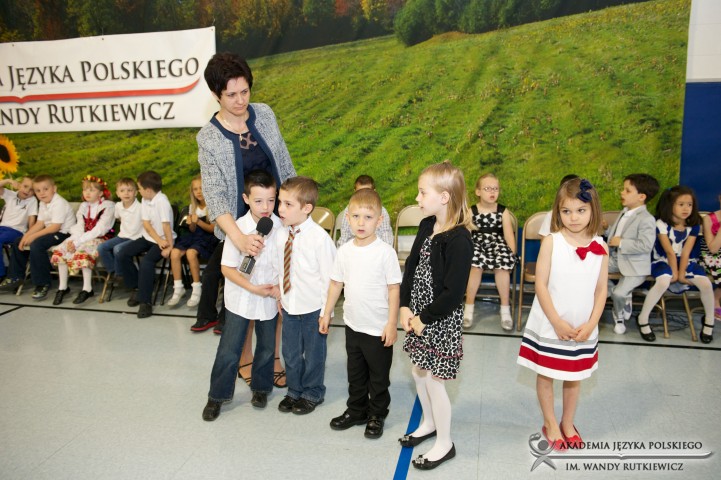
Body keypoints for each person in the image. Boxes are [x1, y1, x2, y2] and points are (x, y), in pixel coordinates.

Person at [193, 52, 296, 335]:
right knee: (243, 307)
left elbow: (284, 164)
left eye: (245, 91)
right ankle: (244, 355)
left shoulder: (265, 114)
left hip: (278, 219)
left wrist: (294, 210)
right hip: (241, 228)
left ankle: (275, 355)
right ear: (215, 95)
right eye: (231, 95)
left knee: (280, 292)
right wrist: (239, 239)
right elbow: (214, 195)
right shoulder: (208, 137)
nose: (240, 100)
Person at [517, 178, 608, 452]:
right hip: (551, 322)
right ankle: (550, 423)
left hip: (582, 326)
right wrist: (556, 321)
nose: (573, 217)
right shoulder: (552, 242)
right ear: (558, 212)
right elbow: (541, 285)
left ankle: (568, 423)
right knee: (546, 374)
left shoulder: (601, 246)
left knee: (573, 376)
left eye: (581, 210)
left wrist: (591, 324)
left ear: (593, 210)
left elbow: (601, 290)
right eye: (566, 211)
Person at [398, 161, 473, 471]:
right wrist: (405, 306)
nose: (417, 199)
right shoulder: (427, 225)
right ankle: (428, 422)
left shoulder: (460, 239)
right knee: (418, 371)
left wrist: (424, 318)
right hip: (419, 314)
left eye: (422, 192)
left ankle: (445, 442)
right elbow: (411, 267)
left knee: (434, 380)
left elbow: (453, 294)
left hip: (439, 320)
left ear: (444, 197)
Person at [320, 188, 402, 439]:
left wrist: (392, 324)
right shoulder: (344, 251)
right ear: (347, 219)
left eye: (368, 217)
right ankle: (356, 410)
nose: (361, 223)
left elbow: (394, 289)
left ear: (379, 220)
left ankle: (376, 414)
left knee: (378, 377)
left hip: (378, 328)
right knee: (355, 373)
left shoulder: (385, 252)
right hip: (353, 325)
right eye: (355, 216)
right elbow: (336, 283)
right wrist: (326, 313)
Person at [202, 170, 283, 421]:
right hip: (240, 298)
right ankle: (217, 396)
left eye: (271, 200)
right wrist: (252, 288)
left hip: (268, 300)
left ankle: (261, 388)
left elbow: (284, 264)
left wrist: (279, 289)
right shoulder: (237, 228)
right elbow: (227, 269)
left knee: (267, 347)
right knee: (229, 349)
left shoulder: (280, 226)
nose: (266, 207)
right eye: (258, 201)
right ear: (246, 199)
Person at [273, 176, 336, 416]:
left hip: (313, 309)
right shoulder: (281, 234)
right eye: (280, 202)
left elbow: (330, 279)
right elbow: (281, 268)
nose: (280, 209)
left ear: (307, 208)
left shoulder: (319, 239)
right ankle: (294, 389)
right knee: (290, 353)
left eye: (288, 204)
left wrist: (326, 312)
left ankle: (313, 391)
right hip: (290, 306)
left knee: (314, 354)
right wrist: (280, 295)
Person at [636, 186, 716, 343]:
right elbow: (669, 252)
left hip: (686, 262)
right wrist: (675, 273)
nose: (686, 208)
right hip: (663, 260)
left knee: (706, 284)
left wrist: (681, 273)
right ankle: (643, 318)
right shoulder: (661, 223)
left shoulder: (693, 225)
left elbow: (686, 252)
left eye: (689, 205)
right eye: (681, 204)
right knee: (663, 281)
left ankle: (709, 322)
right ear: (670, 205)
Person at [1, 175, 75, 299]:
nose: (42, 193)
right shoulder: (43, 203)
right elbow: (40, 223)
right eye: (38, 190)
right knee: (18, 241)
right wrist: (26, 236)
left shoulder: (59, 203)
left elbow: (55, 227)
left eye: (45, 189)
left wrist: (33, 236)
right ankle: (15, 277)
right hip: (51, 231)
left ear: (54, 189)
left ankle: (43, 283)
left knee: (37, 244)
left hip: (63, 233)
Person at [115, 171, 176, 319]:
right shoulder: (145, 199)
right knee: (122, 253)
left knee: (146, 263)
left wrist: (169, 246)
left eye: (140, 188)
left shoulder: (162, 202)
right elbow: (147, 224)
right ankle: (137, 287)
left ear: (148, 190)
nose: (139, 191)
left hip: (166, 239)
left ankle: (145, 302)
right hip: (151, 237)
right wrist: (158, 240)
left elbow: (166, 226)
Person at [606, 173, 659, 334]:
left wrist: (621, 243)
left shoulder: (647, 219)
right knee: (591, 272)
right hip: (616, 259)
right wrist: (607, 230)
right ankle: (616, 293)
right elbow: (617, 235)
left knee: (619, 293)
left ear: (641, 197)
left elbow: (646, 245)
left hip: (634, 265)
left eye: (627, 190)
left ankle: (619, 314)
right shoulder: (624, 212)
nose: (622, 192)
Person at [463, 173, 517, 331]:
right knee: (475, 265)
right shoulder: (472, 211)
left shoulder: (503, 211)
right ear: (478, 192)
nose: (492, 192)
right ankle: (469, 307)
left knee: (502, 266)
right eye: (487, 188)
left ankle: (505, 309)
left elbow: (508, 235)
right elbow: (466, 235)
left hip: (497, 244)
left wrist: (511, 255)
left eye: (496, 189)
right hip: (477, 244)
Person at [50, 175, 115, 305]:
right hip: (82, 237)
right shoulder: (84, 206)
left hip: (100, 238)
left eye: (92, 190)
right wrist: (72, 241)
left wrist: (77, 242)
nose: (87, 193)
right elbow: (79, 227)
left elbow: (99, 230)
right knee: (61, 250)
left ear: (101, 193)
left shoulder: (108, 206)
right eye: (85, 190)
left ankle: (87, 289)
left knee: (83, 252)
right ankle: (62, 288)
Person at [167, 175, 218, 307]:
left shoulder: (212, 206)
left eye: (201, 188)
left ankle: (196, 287)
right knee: (174, 253)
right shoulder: (192, 207)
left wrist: (199, 222)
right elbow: (192, 229)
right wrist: (191, 223)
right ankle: (178, 287)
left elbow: (212, 229)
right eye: (195, 189)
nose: (199, 192)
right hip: (193, 236)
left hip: (208, 238)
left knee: (190, 253)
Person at [96, 178, 143, 280]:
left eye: (129, 190)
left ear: (135, 193)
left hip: (136, 238)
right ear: (118, 194)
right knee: (102, 247)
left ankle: (121, 274)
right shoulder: (118, 206)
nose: (126, 193)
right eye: (122, 191)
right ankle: (114, 272)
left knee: (118, 249)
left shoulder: (140, 208)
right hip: (122, 236)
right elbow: (120, 218)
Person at [336, 175, 393, 247]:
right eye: (356, 216)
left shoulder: (382, 211)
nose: (364, 195)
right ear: (354, 191)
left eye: (368, 217)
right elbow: (344, 236)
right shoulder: (348, 209)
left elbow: (387, 239)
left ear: (374, 191)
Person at [0, 177, 38, 280]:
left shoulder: (32, 201)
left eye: (31, 190)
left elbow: (32, 219)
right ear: (19, 185)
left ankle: (1, 274)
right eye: (25, 186)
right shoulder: (10, 195)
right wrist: (8, 181)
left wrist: (30, 235)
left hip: (16, 231)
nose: (27, 191)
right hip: (2, 228)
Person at [699, 192, 721, 321]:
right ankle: (715, 300)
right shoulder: (709, 219)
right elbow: (713, 249)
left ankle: (716, 297)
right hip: (711, 257)